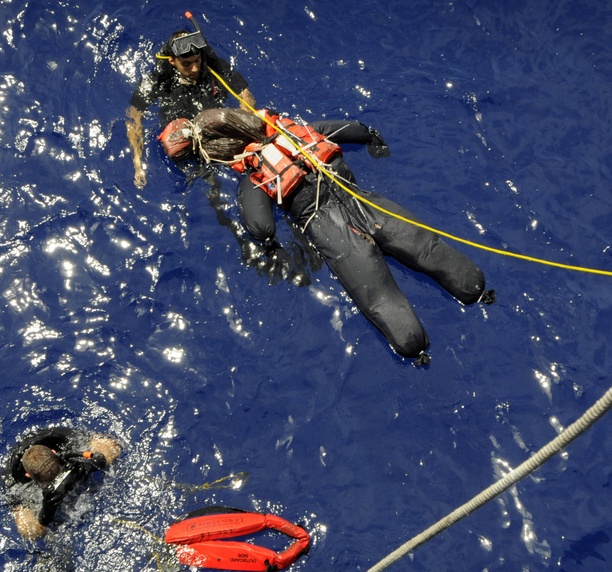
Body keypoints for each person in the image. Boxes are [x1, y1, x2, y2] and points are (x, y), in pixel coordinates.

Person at [185, 107, 495, 363]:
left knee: (379, 296)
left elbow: (260, 223)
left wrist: (268, 244)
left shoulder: (254, 177)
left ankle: (416, 351)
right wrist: (371, 137)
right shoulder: (303, 132)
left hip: (331, 232)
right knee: (425, 247)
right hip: (367, 205)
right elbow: (353, 130)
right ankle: (477, 290)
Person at [126, 13, 256, 188]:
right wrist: (138, 163)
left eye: (197, 61)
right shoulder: (158, 80)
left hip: (212, 119)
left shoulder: (212, 65)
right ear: (172, 61)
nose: (195, 68)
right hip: (182, 128)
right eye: (186, 64)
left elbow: (244, 93)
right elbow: (134, 117)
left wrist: (245, 125)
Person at [2, 428, 122, 540]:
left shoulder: (60, 439)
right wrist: (47, 511)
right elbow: (31, 534)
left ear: (55, 452)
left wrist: (92, 464)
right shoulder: (13, 481)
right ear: (28, 476)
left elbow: (111, 445)